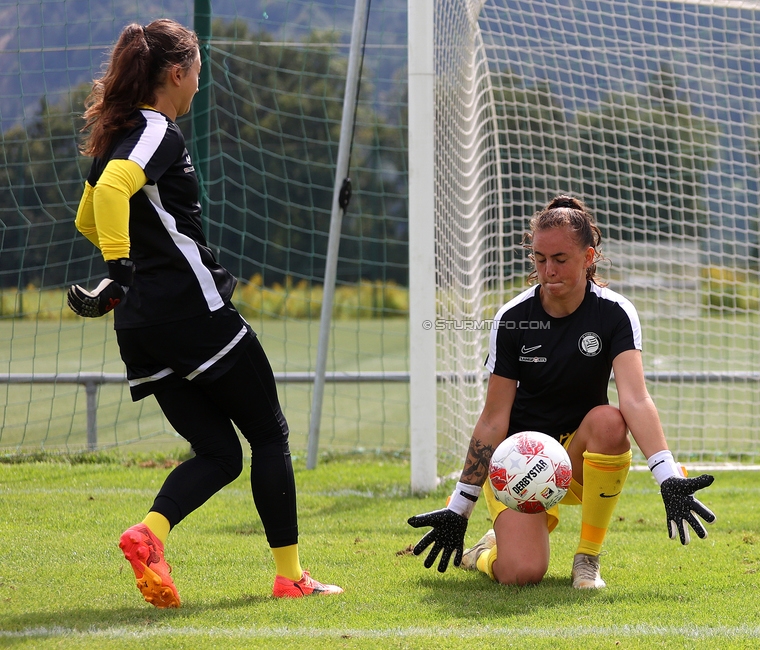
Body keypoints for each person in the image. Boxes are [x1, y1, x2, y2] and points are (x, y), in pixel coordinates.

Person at [68, 19, 342, 607]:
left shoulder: (116, 136)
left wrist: (127, 274)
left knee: (220, 453)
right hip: (194, 312)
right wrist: (121, 270)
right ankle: (291, 578)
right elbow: (112, 199)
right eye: (196, 72)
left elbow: (86, 221)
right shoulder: (153, 130)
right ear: (176, 73)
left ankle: (150, 534)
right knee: (270, 435)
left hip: (141, 326)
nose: (199, 84)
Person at [408, 195, 716, 588]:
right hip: (518, 461)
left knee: (609, 421)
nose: (548, 270)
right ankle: (484, 552)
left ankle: (587, 559)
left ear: (588, 256)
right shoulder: (513, 318)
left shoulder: (615, 313)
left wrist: (668, 476)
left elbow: (635, 399)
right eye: (539, 259)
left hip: (579, 455)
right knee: (521, 573)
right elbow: (493, 417)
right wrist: (459, 506)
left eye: (560, 259)